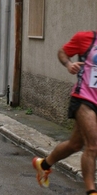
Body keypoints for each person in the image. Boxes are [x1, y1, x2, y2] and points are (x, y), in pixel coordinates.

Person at [32, 30, 97, 195]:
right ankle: (91, 191)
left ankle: (44, 165)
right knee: (92, 145)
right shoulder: (86, 38)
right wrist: (69, 64)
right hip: (84, 98)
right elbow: (63, 52)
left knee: (75, 144)